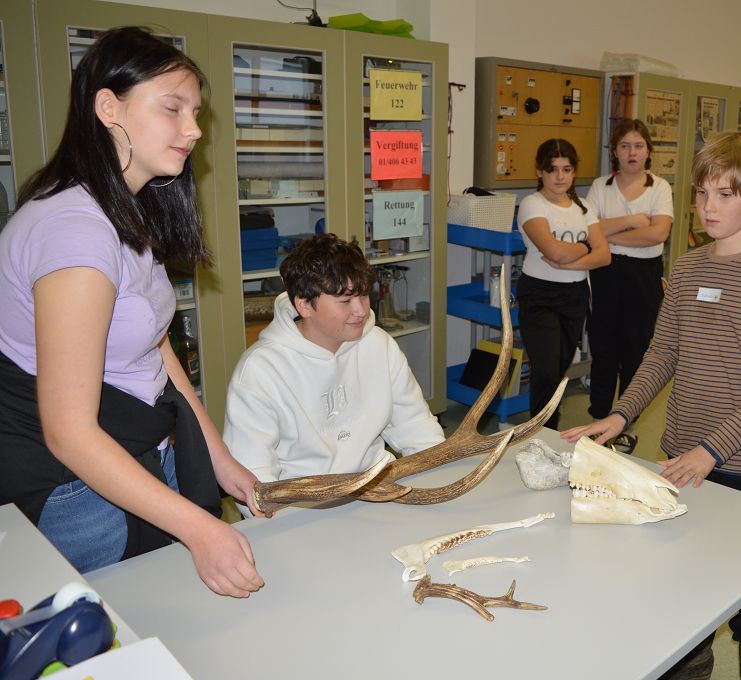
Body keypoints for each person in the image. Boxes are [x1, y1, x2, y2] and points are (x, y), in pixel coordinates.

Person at [0, 27, 263, 597]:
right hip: (79, 491)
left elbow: (155, 346)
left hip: (142, 452)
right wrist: (200, 528)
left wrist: (220, 460)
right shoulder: (72, 231)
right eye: (172, 108)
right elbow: (69, 433)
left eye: (195, 112)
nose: (194, 130)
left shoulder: (125, 211)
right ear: (108, 107)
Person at [564, 130, 741, 680]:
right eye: (701, 193)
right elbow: (662, 353)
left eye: (725, 194)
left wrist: (710, 451)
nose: (708, 207)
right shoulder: (690, 269)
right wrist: (621, 413)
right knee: (686, 581)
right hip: (681, 457)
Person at [223, 234, 444, 484]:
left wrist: (442, 479)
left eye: (363, 295)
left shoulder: (379, 344)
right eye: (345, 301)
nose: (361, 310)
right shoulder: (260, 371)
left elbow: (416, 428)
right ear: (304, 305)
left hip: (376, 486)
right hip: (302, 501)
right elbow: (252, 474)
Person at [585, 119, 673, 454]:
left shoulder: (659, 187)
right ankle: (598, 419)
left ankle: (626, 423)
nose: (632, 152)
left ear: (648, 150)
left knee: (635, 351)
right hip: (605, 272)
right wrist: (634, 221)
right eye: (625, 146)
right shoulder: (600, 186)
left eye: (638, 145)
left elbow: (658, 234)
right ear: (615, 152)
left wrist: (610, 232)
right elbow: (588, 231)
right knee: (604, 349)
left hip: (643, 275)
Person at [518, 138, 611, 429]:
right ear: (539, 171)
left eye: (567, 169)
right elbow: (554, 251)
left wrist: (569, 261)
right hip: (540, 295)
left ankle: (548, 428)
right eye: (552, 169)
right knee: (545, 371)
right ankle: (539, 433)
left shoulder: (583, 207)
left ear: (574, 172)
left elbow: (604, 256)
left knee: (559, 371)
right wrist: (585, 246)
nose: (560, 176)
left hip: (575, 294)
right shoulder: (532, 205)